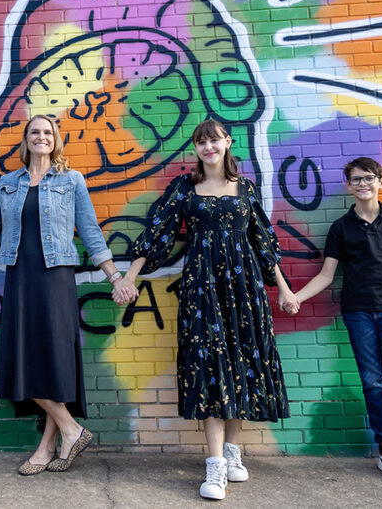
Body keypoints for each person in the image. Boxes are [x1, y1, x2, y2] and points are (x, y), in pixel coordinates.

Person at [0, 114, 132, 475]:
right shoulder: (7, 185)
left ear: (55, 141)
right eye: (35, 132)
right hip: (21, 278)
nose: (41, 137)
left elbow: (90, 233)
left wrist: (116, 276)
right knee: (20, 358)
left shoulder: (71, 181)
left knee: (53, 359)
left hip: (55, 279)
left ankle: (48, 447)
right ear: (25, 141)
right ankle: (70, 430)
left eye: (47, 132)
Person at [117, 119, 293, 501]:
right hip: (202, 290)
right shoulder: (184, 187)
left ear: (228, 143)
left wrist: (282, 288)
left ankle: (232, 452)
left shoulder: (244, 187)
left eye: (214, 140)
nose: (208, 147)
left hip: (244, 290)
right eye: (201, 142)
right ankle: (214, 467)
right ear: (195, 149)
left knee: (242, 362)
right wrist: (129, 276)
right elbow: (158, 232)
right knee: (210, 364)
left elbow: (262, 240)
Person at [280, 156, 382, 485]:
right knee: (374, 382)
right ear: (348, 186)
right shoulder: (341, 229)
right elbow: (326, 275)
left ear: (381, 182)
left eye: (369, 178)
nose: (363, 184)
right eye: (356, 180)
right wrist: (297, 297)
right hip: (357, 313)